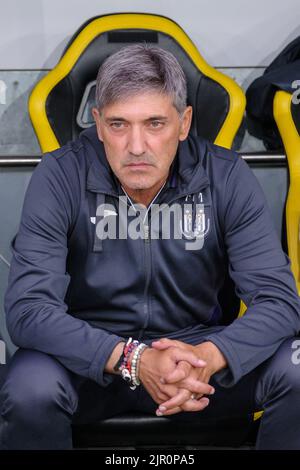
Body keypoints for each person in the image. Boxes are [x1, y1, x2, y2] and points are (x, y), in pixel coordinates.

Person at [1, 44, 300, 450]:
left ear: (183, 122)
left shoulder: (226, 175)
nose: (137, 146)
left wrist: (214, 354)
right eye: (119, 124)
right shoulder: (60, 175)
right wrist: (134, 360)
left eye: (155, 123)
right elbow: (29, 310)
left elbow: (280, 302)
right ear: (98, 124)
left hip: (197, 361)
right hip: (93, 362)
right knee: (28, 386)